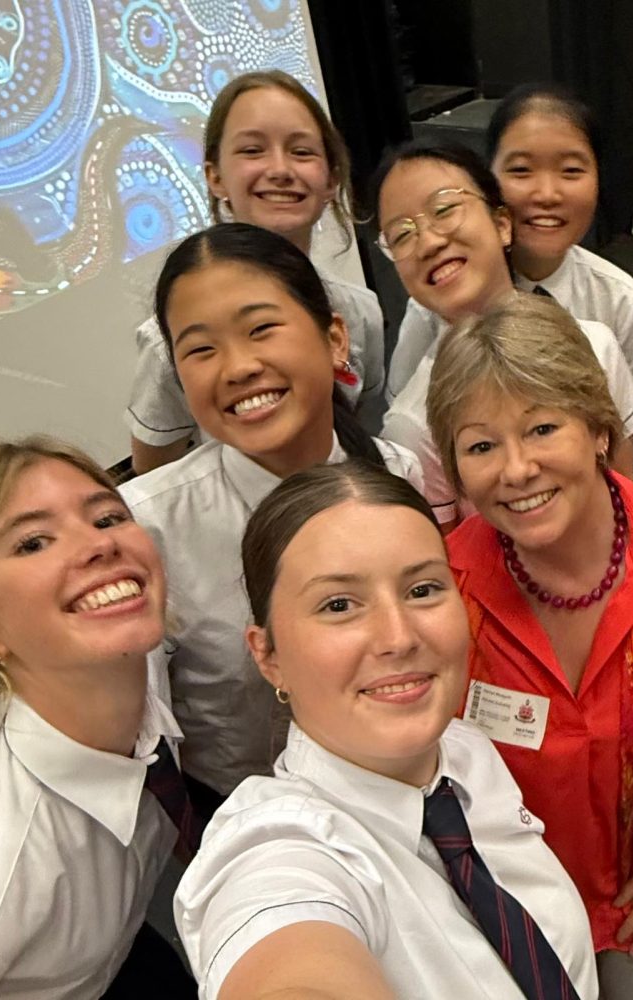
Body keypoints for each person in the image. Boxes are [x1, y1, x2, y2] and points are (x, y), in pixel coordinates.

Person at [173, 460, 598, 1000]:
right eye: (339, 605)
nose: (398, 637)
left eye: (422, 590)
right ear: (268, 656)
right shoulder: (277, 850)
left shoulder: (464, 752)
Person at [425, 294, 633, 1000]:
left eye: (541, 428)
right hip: (511, 932)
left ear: (596, 429)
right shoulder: (438, 593)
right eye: (481, 445)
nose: (516, 470)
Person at [119, 223, 421, 812]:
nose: (237, 367)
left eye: (261, 329)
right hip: (239, 806)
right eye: (201, 349)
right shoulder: (149, 528)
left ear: (336, 339)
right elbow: (142, 731)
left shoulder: (396, 475)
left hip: (398, 781)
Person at [0, 438, 194, 999]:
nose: (99, 545)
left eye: (108, 517)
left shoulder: (131, 654)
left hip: (118, 946)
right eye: (32, 542)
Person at [374, 139, 633, 529]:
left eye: (445, 209)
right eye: (401, 235)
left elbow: (629, 503)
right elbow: (449, 565)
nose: (430, 241)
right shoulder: (413, 425)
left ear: (502, 223)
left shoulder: (595, 347)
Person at [126, 69, 385, 474]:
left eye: (302, 151)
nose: (280, 169)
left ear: (332, 178)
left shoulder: (361, 312)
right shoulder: (170, 341)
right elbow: (156, 469)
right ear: (215, 176)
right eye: (252, 150)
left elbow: (363, 432)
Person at [387, 86, 633, 401]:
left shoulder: (616, 296)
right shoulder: (436, 303)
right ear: (487, 181)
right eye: (521, 170)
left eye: (571, 170)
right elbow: (405, 425)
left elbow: (624, 419)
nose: (546, 194)